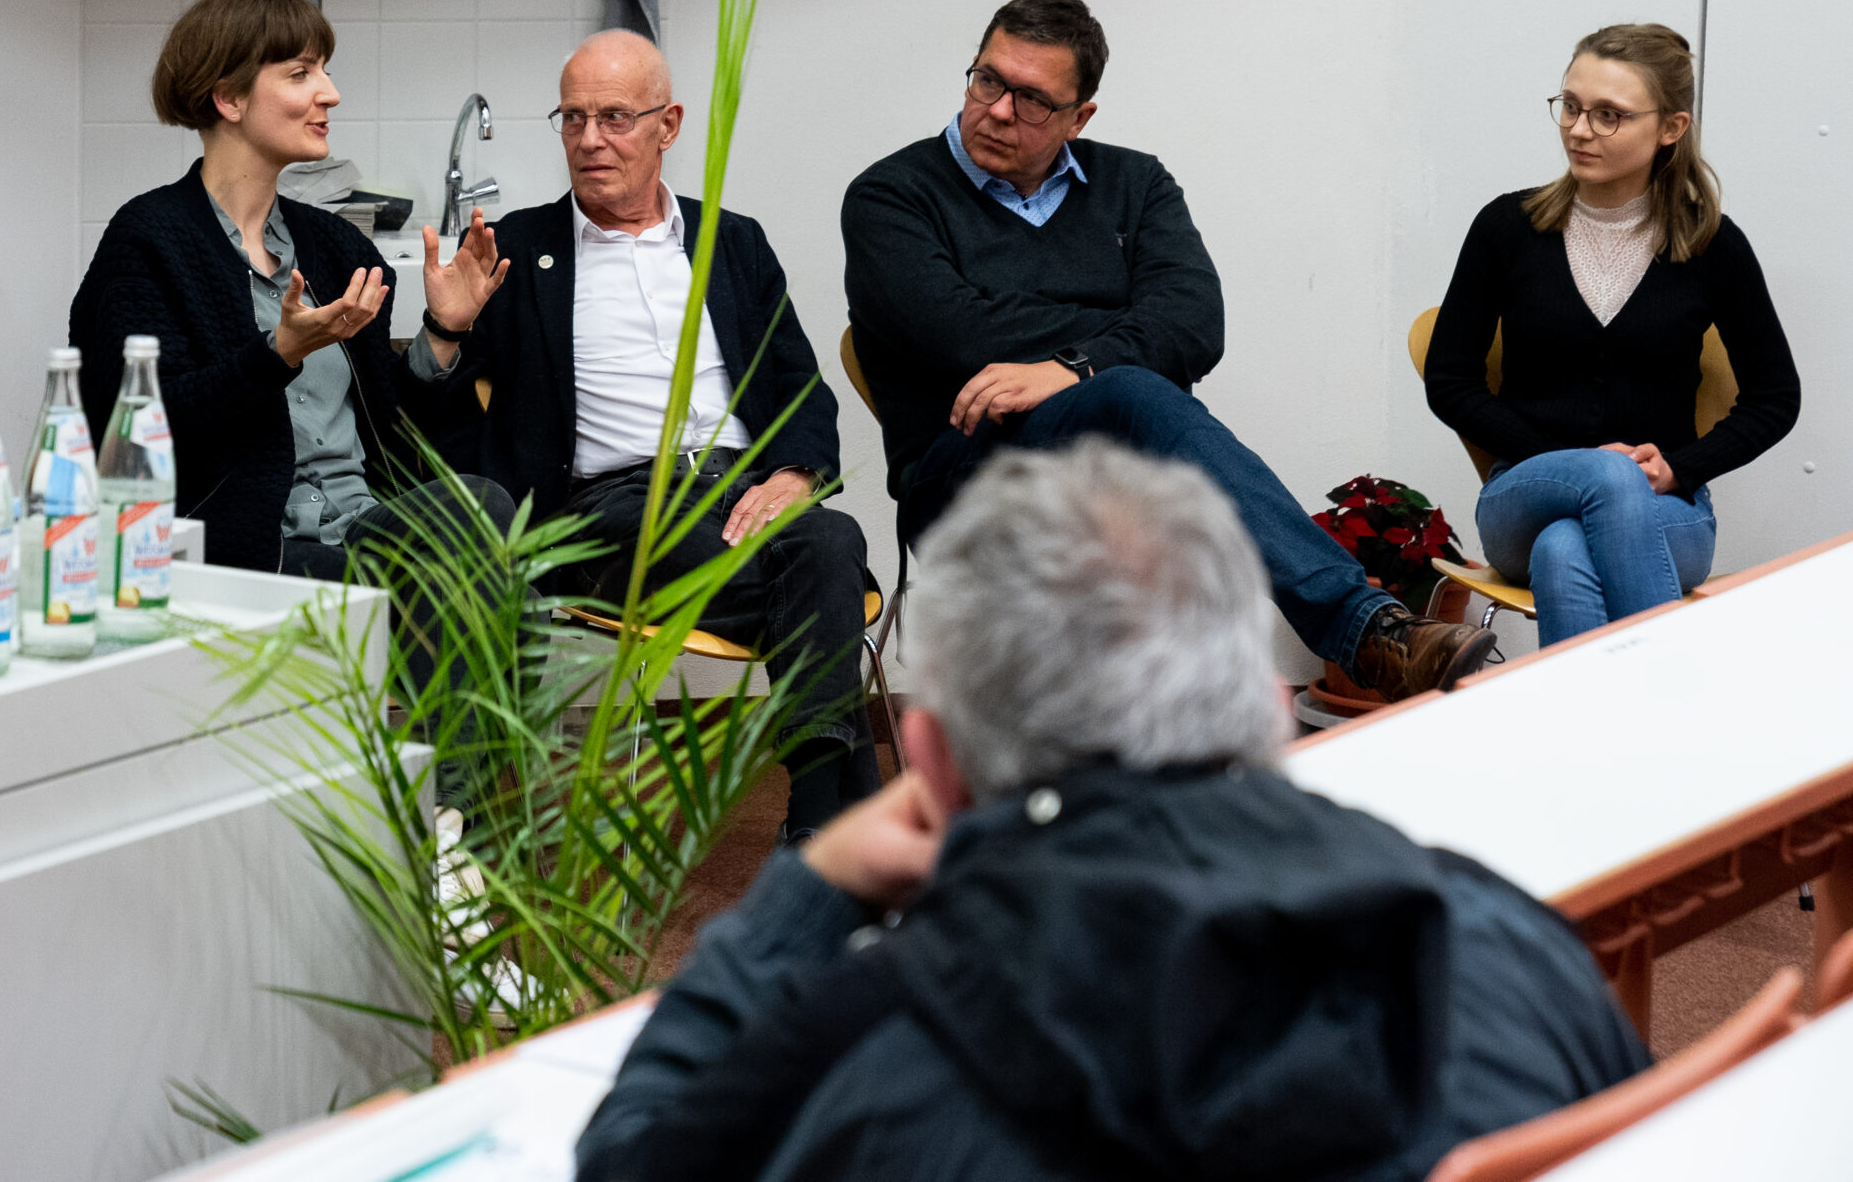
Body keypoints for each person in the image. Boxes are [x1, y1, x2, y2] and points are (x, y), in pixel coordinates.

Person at [575, 439, 1651, 1182]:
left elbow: (636, 1158)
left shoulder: (865, 1071)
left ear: (930, 761)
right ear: (1272, 714)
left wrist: (802, 898)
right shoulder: (1509, 945)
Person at [843, 0, 1486, 700]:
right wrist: (1114, 340)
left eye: (1031, 99)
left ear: (1079, 116)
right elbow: (957, 332)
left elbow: (1194, 322)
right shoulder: (891, 196)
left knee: (1130, 398)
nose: (996, 110)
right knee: (1134, 389)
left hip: (1131, 470)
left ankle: (1333, 664)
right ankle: (1366, 633)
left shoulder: (1135, 184)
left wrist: (1068, 368)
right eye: (988, 79)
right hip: (967, 471)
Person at [457, 30, 881, 840]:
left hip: (736, 496)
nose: (588, 140)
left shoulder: (733, 241)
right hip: (606, 510)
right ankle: (833, 835)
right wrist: (445, 331)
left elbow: (798, 387)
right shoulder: (515, 251)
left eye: (614, 116)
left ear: (669, 124)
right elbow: (433, 424)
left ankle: (820, 823)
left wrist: (794, 475)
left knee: (830, 536)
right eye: (572, 118)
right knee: (822, 580)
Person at [67, 0, 509, 582]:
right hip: (246, 546)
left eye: (324, 71)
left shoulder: (338, 247)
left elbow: (394, 439)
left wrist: (444, 331)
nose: (330, 93)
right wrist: (276, 355)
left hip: (363, 532)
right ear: (228, 97)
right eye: (301, 73)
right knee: (473, 602)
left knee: (479, 508)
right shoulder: (149, 240)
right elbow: (140, 433)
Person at [1427, 23, 1797, 645]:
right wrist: (1568, 456)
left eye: (1609, 116)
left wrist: (1679, 469)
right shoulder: (1506, 228)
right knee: (1606, 480)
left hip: (1669, 512)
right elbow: (1450, 380)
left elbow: (1775, 399)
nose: (1578, 129)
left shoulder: (1713, 246)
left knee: (1565, 552)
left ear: (1671, 128)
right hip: (1523, 492)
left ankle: (1587, 738)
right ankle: (1674, 700)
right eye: (1570, 107)